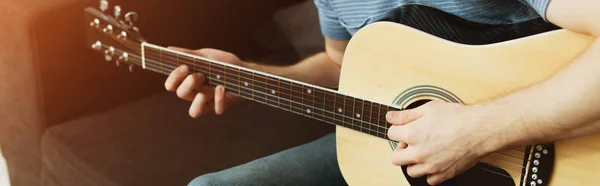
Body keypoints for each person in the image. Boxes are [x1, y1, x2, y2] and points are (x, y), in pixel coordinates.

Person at [164, 0, 600, 185]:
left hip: (552, 143)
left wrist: (475, 131)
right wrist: (247, 73)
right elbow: (343, 64)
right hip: (390, 150)